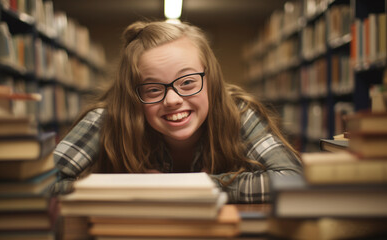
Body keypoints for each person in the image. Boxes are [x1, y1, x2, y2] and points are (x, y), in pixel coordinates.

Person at [52, 20, 303, 203]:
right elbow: (41, 185)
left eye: (187, 82)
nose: (172, 100)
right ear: (133, 95)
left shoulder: (238, 112)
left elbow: (292, 180)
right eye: (152, 89)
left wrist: (192, 185)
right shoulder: (108, 119)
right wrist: (126, 187)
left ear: (211, 79)